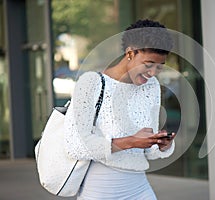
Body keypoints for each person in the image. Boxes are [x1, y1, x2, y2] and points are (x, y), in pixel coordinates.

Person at [64, 19, 175, 200]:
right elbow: (75, 145)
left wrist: (161, 144)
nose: (153, 72)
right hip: (100, 191)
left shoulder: (151, 86)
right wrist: (131, 141)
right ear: (130, 52)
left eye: (159, 67)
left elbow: (148, 152)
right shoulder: (91, 83)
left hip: (140, 189)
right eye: (148, 65)